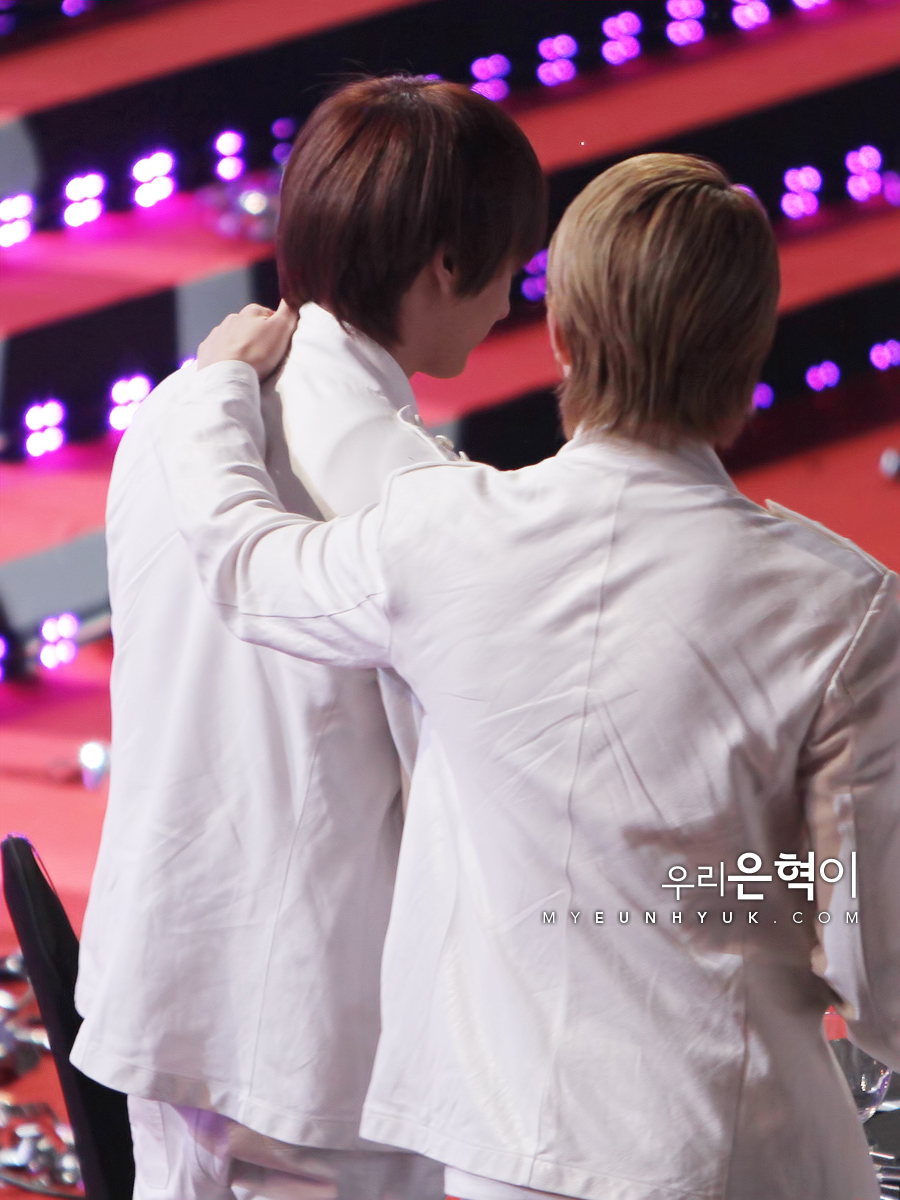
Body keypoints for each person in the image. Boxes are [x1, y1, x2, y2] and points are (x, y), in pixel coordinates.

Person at [156, 153, 900, 1200]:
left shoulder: (443, 535)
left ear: (564, 336)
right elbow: (870, 953)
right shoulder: (847, 606)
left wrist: (216, 391)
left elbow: (242, 561)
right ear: (750, 344)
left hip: (503, 1156)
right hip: (744, 1150)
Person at [70, 76, 545, 1200]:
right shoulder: (419, 496)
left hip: (155, 991)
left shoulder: (174, 411)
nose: (511, 299)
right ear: (445, 265)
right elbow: (477, 812)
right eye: (511, 266)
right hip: (320, 1048)